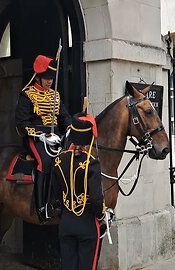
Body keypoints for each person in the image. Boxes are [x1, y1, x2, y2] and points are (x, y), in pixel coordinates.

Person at [52, 113, 113, 270]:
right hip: (87, 224)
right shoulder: (92, 164)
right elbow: (96, 198)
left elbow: (56, 193)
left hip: (66, 223)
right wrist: (102, 216)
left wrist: (64, 213)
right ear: (88, 141)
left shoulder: (59, 160)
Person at [15, 54, 71, 223]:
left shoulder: (55, 95)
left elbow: (64, 117)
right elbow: (21, 123)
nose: (49, 82)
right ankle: (43, 207)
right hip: (36, 137)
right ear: (38, 77)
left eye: (51, 79)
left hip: (56, 136)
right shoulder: (27, 95)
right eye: (46, 78)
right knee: (46, 161)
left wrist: (69, 128)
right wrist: (41, 135)